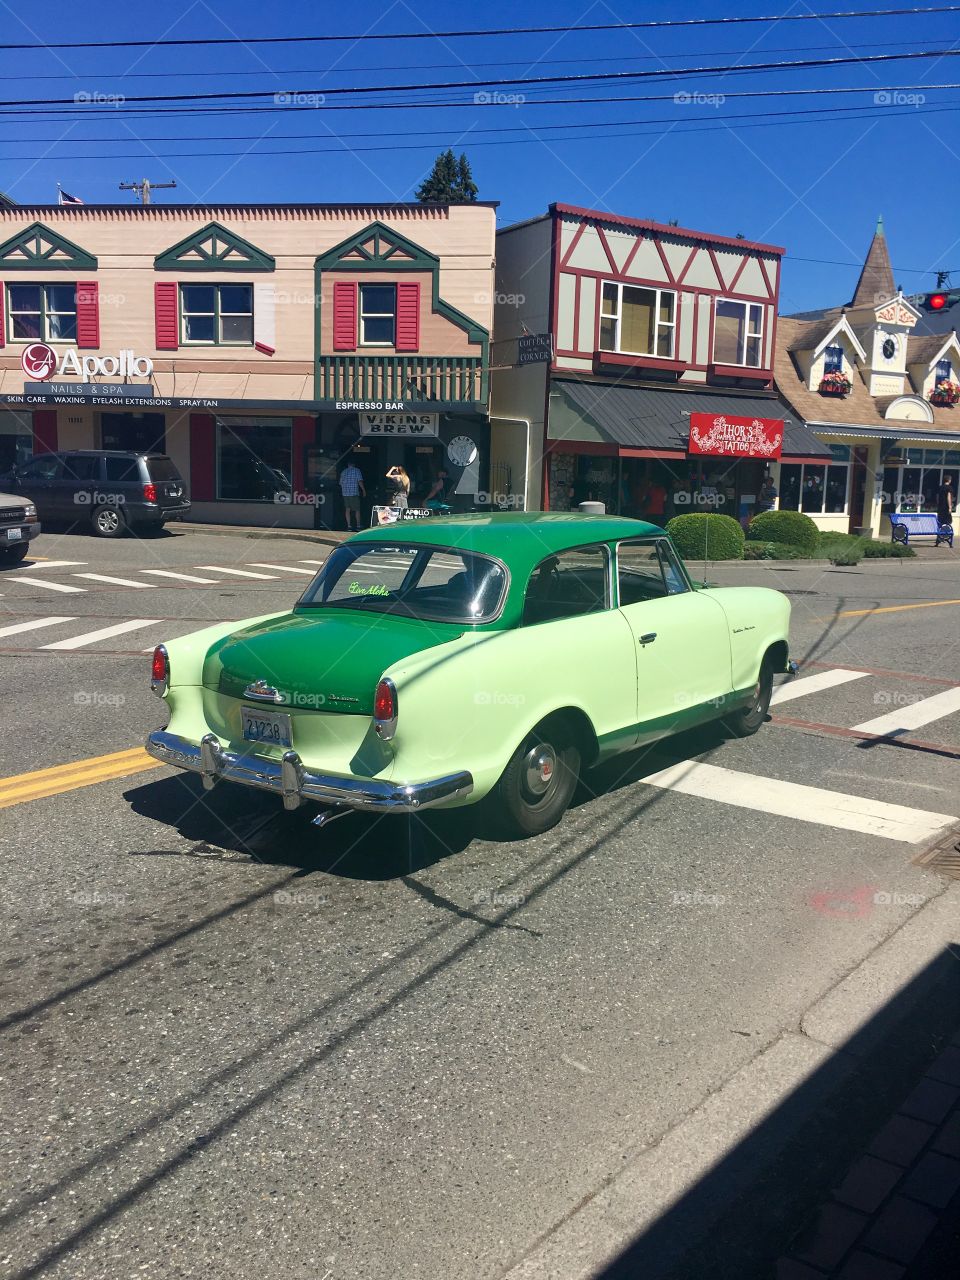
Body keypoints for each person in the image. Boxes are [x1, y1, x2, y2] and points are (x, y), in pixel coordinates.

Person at [338, 461, 366, 532]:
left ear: (348, 464)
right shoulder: (357, 470)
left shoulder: (343, 472)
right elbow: (360, 481)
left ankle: (349, 526)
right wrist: (363, 490)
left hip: (345, 494)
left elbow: (340, 483)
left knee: (347, 509)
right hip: (354, 493)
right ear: (354, 464)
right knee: (357, 510)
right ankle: (358, 525)